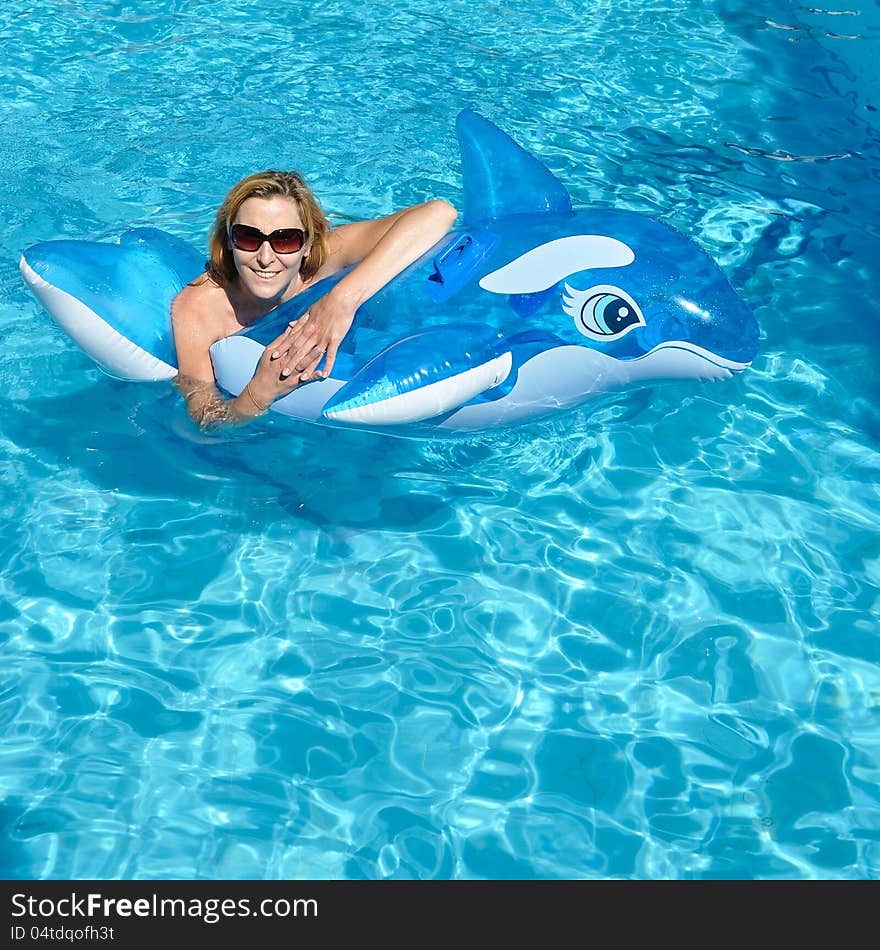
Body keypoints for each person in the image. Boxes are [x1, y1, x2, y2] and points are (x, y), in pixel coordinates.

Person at [172, 170, 457, 430]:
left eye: (285, 240)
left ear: (308, 244)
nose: (266, 258)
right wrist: (259, 394)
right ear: (230, 240)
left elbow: (440, 213)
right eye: (248, 237)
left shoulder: (326, 262)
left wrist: (341, 300)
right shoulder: (200, 308)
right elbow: (207, 424)